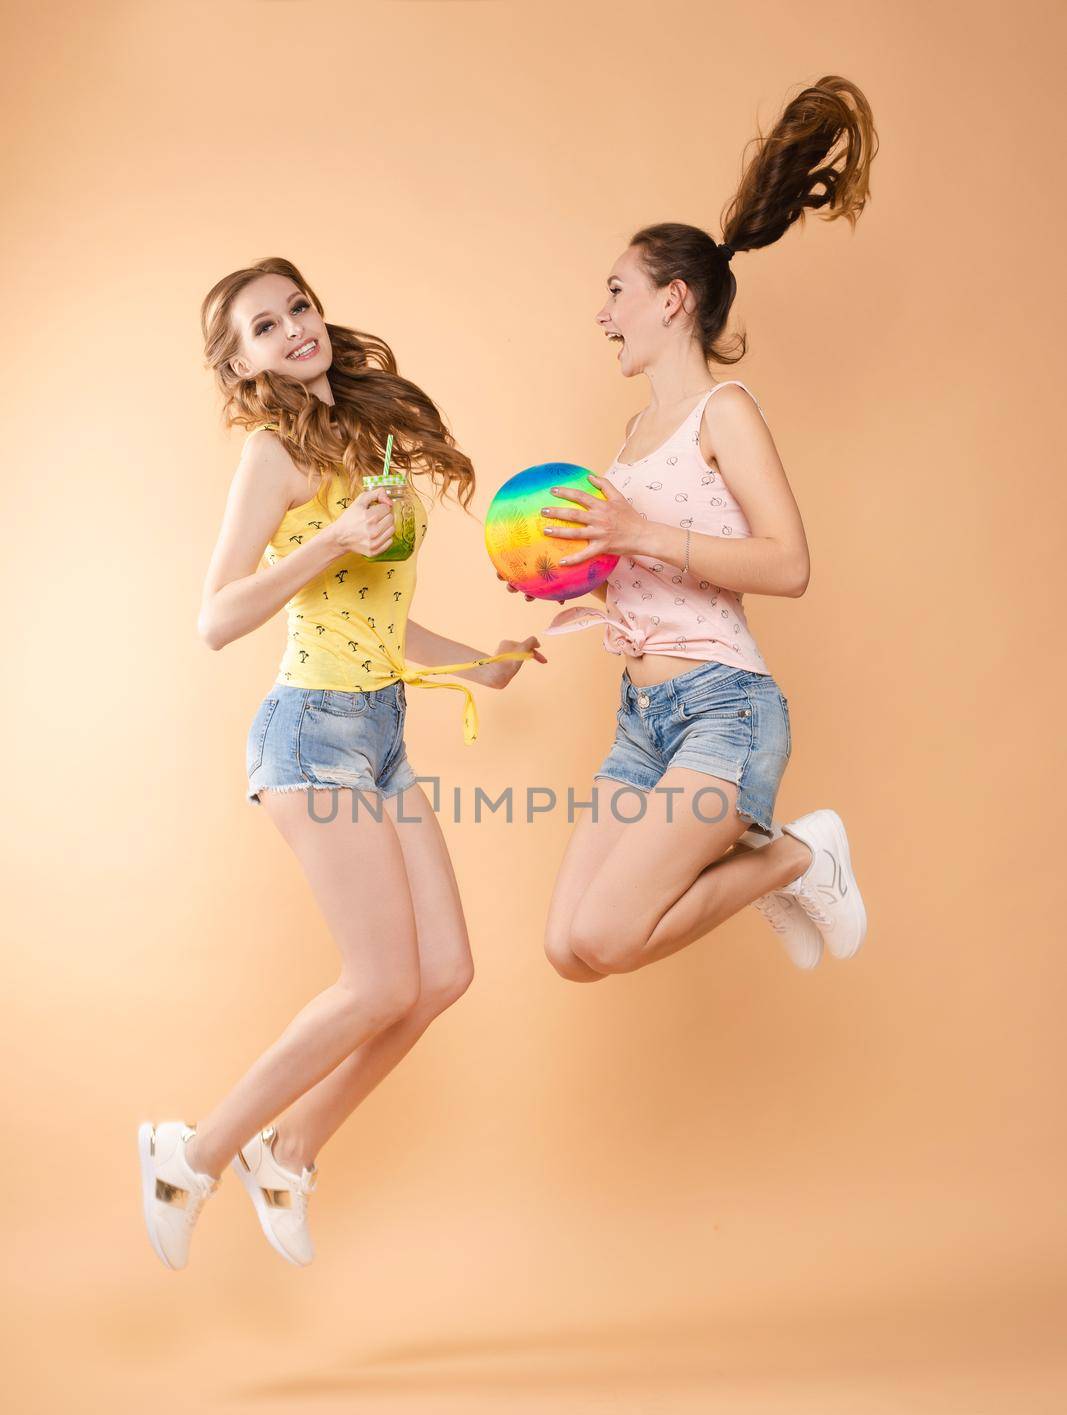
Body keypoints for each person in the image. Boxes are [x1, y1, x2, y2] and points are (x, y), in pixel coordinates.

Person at [138, 257, 543, 1270]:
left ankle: (290, 1151)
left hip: (381, 732)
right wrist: (325, 546)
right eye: (265, 328)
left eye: (299, 309)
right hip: (311, 731)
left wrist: (485, 665)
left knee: (440, 973)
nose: (294, 330)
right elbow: (216, 618)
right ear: (244, 363)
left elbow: (381, 618)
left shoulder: (373, 439)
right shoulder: (274, 456)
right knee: (376, 983)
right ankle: (191, 1154)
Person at [502, 75, 876, 983]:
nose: (603, 312)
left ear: (672, 301)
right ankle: (780, 865)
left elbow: (787, 566)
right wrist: (564, 578)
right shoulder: (630, 440)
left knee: (611, 934)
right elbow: (636, 563)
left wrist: (633, 533)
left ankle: (796, 857)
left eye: (617, 291)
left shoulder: (725, 411)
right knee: (569, 951)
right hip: (641, 720)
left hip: (722, 708)